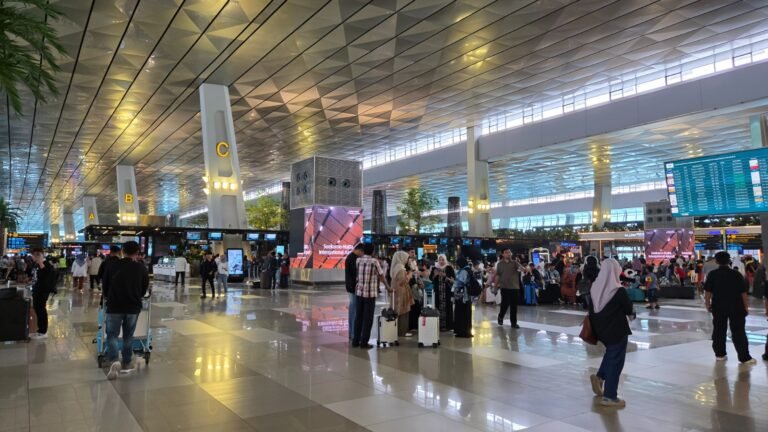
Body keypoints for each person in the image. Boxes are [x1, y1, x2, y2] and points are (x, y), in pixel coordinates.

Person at [588, 258, 634, 408]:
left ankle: (600, 377)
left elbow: (590, 310)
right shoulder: (618, 290)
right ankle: (610, 397)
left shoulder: (595, 287)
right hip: (617, 330)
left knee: (611, 354)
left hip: (601, 330)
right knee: (616, 361)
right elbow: (628, 309)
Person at [101, 241, 149, 380]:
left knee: (112, 335)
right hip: (132, 307)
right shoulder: (141, 268)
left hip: (114, 306)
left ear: (123, 251)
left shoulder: (112, 265)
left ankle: (114, 360)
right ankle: (127, 363)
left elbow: (105, 284)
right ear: (137, 253)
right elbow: (144, 287)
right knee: (128, 336)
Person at [704, 251, 756, 365]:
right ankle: (744, 357)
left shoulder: (712, 274)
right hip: (736, 306)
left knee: (719, 330)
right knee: (738, 332)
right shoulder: (736, 274)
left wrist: (707, 303)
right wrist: (746, 306)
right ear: (729, 261)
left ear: (717, 261)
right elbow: (743, 293)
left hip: (718, 306)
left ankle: (720, 354)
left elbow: (708, 291)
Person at [351, 243, 387, 348]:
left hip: (359, 292)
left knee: (358, 317)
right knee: (368, 318)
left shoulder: (358, 260)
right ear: (372, 251)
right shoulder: (374, 261)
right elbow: (381, 276)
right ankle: (364, 342)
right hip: (370, 294)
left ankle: (355, 341)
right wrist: (387, 287)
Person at [29, 248, 56, 340]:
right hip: (36, 291)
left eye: (33, 256)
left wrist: (40, 263)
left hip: (42, 292)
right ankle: (39, 330)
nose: (32, 258)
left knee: (41, 310)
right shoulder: (37, 265)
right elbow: (35, 276)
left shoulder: (47, 265)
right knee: (37, 310)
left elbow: (45, 278)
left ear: (38, 255)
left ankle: (43, 332)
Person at [495, 248, 523, 328]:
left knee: (514, 305)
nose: (509, 254)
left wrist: (523, 269)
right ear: (503, 254)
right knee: (505, 304)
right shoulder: (500, 264)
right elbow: (498, 275)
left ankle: (513, 323)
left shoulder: (515, 263)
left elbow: (522, 269)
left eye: (510, 252)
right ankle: (501, 316)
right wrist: (495, 286)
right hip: (504, 286)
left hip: (514, 287)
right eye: (506, 253)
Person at [390, 251, 414, 337]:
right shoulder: (400, 268)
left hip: (398, 292)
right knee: (403, 311)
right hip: (401, 292)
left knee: (399, 310)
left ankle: (400, 330)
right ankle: (402, 331)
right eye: (407, 258)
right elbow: (403, 281)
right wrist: (410, 274)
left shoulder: (396, 267)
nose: (407, 260)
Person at [430, 254, 455, 331]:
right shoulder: (434, 268)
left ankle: (448, 326)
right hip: (437, 291)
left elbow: (453, 280)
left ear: (445, 260)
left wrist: (445, 276)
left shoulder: (449, 268)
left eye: (443, 259)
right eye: (440, 259)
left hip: (446, 292)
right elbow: (431, 279)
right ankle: (438, 325)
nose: (441, 261)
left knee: (448, 307)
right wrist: (435, 275)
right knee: (437, 306)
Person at [345, 245, 364, 340]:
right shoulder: (353, 258)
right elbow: (356, 273)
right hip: (353, 287)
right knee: (354, 311)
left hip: (351, 286)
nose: (362, 255)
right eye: (362, 252)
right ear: (359, 250)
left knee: (354, 309)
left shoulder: (351, 257)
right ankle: (353, 333)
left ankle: (352, 333)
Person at [452, 256, 473, 338]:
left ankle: (462, 332)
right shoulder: (468, 270)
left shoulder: (464, 271)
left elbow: (460, 283)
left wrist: (453, 283)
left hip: (463, 297)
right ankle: (466, 331)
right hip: (467, 296)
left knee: (461, 313)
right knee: (466, 314)